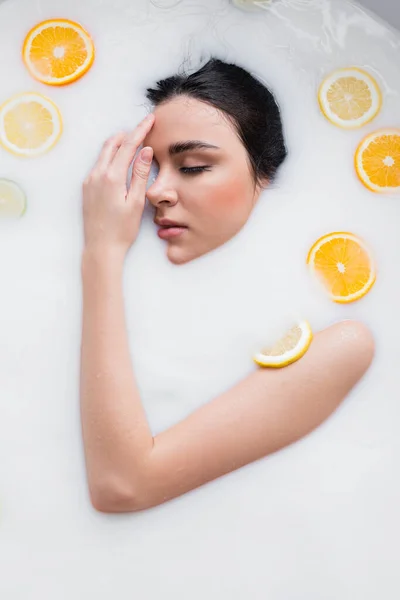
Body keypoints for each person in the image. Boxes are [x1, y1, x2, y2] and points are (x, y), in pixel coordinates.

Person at [79, 57, 375, 513]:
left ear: (265, 172)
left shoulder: (344, 340)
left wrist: (102, 251)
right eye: (150, 168)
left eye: (193, 166)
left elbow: (123, 484)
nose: (156, 191)